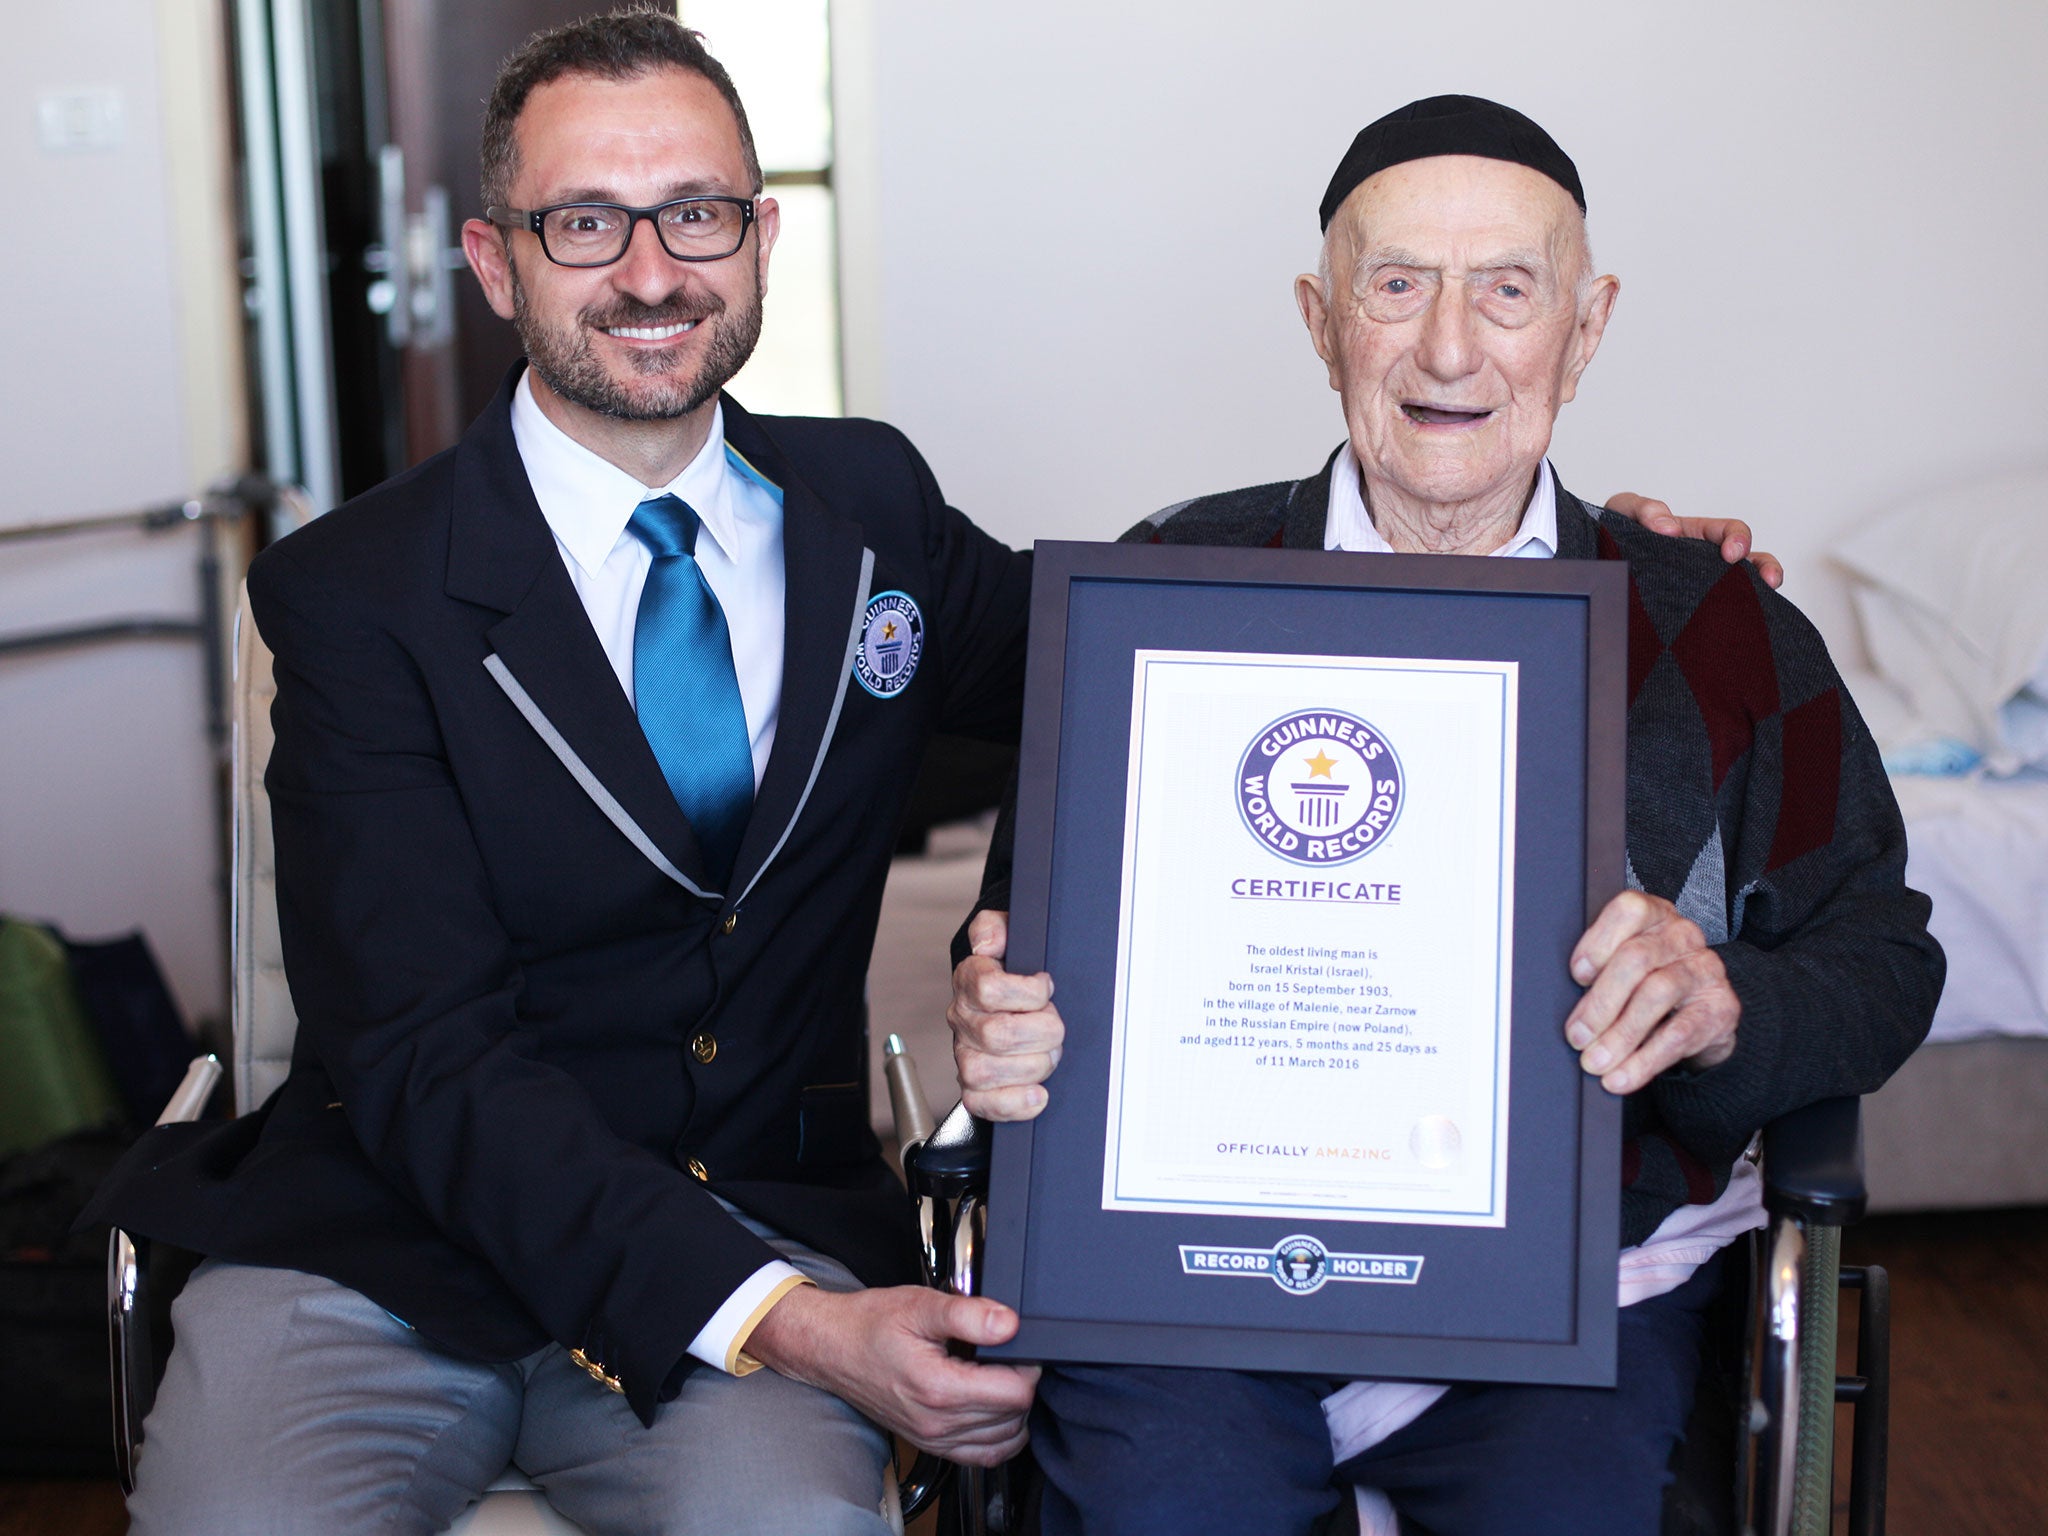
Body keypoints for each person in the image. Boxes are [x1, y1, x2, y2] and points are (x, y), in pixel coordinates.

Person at [82, 21, 1771, 1527]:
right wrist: (804, 1325)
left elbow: (1177, 658)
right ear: (492, 262)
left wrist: (1581, 583)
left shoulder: (868, 511)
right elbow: (426, 1061)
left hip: (760, 1214)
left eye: (700, 213)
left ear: (758, 237)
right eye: (586, 223)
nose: (652, 271)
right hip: (391, 1262)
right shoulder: (356, 591)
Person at [946, 96, 1943, 1536]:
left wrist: (1726, 1009)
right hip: (1196, 1288)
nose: (1452, 350)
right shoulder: (1166, 582)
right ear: (1322, 317)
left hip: (1588, 1287)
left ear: (1585, 331)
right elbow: (1014, 945)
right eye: (1398, 287)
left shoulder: (1719, 631)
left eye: (1509, 293)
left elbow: (1889, 956)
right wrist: (997, 1019)